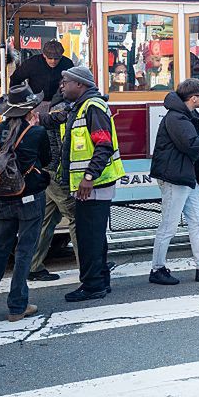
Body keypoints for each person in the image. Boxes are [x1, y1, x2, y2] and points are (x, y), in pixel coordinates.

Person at [0, 84, 51, 322]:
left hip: (3, 199)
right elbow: (47, 160)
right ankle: (17, 306)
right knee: (25, 251)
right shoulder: (36, 133)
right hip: (29, 199)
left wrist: (1, 187)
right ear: (30, 110)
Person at [148, 79, 199, 285]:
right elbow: (193, 145)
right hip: (176, 176)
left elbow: (190, 142)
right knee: (169, 225)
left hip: (184, 175)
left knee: (198, 220)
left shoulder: (181, 115)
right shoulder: (177, 118)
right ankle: (157, 269)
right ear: (193, 98)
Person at [59, 66, 126, 302]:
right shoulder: (81, 107)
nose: (62, 85)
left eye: (65, 81)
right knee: (94, 237)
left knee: (88, 238)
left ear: (80, 84)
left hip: (93, 186)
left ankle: (92, 286)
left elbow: (103, 146)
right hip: (93, 186)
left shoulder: (92, 107)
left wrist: (88, 177)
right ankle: (100, 282)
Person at [28, 93, 78, 282]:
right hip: (56, 175)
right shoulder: (62, 114)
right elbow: (59, 148)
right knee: (76, 218)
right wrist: (61, 174)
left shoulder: (48, 112)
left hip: (47, 174)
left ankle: (32, 265)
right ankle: (89, 265)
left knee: (47, 220)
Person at [9, 40, 74, 102]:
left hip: (59, 101)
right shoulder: (32, 63)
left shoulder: (68, 64)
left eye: (56, 59)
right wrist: (16, 98)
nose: (53, 61)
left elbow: (74, 83)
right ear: (44, 55)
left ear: (61, 56)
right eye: (50, 58)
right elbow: (15, 78)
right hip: (34, 101)